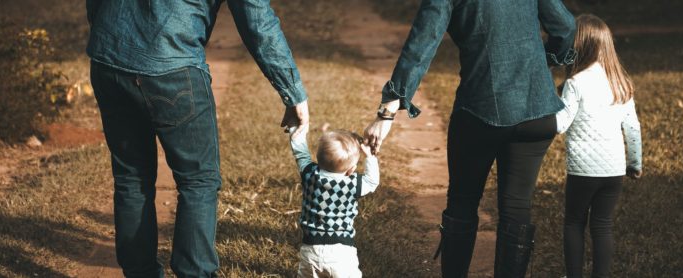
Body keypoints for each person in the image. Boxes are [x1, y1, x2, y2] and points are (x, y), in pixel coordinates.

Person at [86, 1, 309, 277]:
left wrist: (106, 31)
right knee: (198, 181)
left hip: (109, 59)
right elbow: (256, 18)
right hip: (173, 67)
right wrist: (292, 91)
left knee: (131, 177)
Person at [363, 0, 577, 276]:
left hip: (480, 109)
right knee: (517, 208)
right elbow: (566, 27)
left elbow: (422, 43)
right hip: (537, 110)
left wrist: (387, 111)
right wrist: (542, 62)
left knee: (462, 203)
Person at [555, 14, 643, 278]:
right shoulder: (621, 84)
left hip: (583, 172)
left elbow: (560, 124)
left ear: (578, 46)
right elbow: (633, 128)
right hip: (614, 171)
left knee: (574, 223)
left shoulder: (575, 84)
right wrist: (634, 164)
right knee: (602, 227)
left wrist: (548, 101)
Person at [288, 126, 380, 278]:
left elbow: (301, 154)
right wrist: (370, 157)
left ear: (318, 159)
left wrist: (295, 130)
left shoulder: (310, 175)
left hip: (310, 250)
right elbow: (372, 181)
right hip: (341, 253)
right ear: (351, 170)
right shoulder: (353, 184)